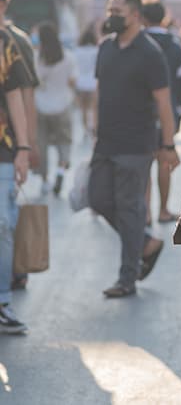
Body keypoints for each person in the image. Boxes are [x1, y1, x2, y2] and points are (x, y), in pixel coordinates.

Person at [88, 0, 179, 298]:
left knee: (129, 208)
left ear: (136, 15)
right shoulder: (105, 48)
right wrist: (94, 125)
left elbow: (164, 104)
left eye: (118, 10)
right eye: (109, 8)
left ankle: (127, 278)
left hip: (137, 144)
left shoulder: (150, 53)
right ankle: (146, 243)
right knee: (97, 199)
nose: (111, 14)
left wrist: (167, 144)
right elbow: (100, 90)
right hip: (105, 142)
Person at [0, 19, 32, 334]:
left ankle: (2, 301)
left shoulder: (5, 43)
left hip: (3, 150)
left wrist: (24, 147)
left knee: (3, 225)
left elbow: (16, 97)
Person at [141, 0, 181, 224]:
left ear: (143, 18)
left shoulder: (140, 43)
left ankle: (146, 212)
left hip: (142, 112)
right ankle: (164, 210)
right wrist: (178, 110)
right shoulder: (175, 46)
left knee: (145, 161)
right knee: (164, 159)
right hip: (169, 110)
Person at [33, 22, 76, 196]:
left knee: (41, 144)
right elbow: (73, 82)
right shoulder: (68, 57)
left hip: (40, 106)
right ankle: (60, 172)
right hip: (63, 105)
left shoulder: (36, 58)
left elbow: (33, 83)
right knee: (64, 143)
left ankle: (44, 180)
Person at [73, 24, 99, 139]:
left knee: (83, 108)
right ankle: (93, 126)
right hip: (93, 82)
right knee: (94, 107)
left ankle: (84, 129)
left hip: (81, 82)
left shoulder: (77, 51)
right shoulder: (96, 51)